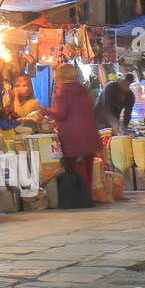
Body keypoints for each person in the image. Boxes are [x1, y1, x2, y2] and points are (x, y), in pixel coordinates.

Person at [45, 63, 100, 198]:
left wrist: (42, 109)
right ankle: (88, 197)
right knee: (87, 168)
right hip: (89, 136)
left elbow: (60, 113)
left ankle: (81, 199)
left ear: (59, 76)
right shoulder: (83, 90)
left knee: (77, 169)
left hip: (73, 138)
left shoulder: (62, 91)